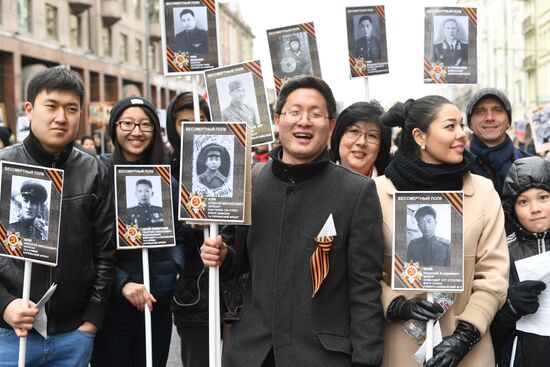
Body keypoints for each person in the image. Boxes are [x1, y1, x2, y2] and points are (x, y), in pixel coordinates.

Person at [201, 76, 384, 366]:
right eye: (294, 112)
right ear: (277, 120)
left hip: (321, 356)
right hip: (252, 353)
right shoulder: (250, 181)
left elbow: (364, 288)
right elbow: (239, 264)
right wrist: (221, 255)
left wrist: (366, 359)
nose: (304, 121)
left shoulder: (356, 192)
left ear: (331, 125)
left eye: (316, 114)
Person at [374, 95, 509, 367]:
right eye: (450, 126)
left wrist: (465, 334)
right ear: (419, 136)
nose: (462, 134)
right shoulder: (376, 193)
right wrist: (397, 304)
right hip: (401, 348)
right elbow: (362, 273)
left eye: (461, 125)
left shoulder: (483, 192)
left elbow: (493, 276)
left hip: (469, 352)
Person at [0, 67, 115, 366]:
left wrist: (92, 319)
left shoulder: (94, 171)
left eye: (71, 109)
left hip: (72, 335)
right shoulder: (2, 167)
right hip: (8, 334)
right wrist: (5, 305)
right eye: (51, 106)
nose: (61, 117)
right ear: (29, 109)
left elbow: (105, 252)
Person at [90, 96, 184, 367]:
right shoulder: (98, 175)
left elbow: (181, 235)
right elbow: (88, 241)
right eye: (128, 123)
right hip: (111, 306)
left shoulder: (167, 180)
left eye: (145, 124)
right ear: (114, 128)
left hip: (157, 303)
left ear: (155, 130)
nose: (136, 132)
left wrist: (172, 265)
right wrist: (121, 283)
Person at [491, 156, 550, 367]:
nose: (535, 208)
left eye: (543, 197)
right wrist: (511, 308)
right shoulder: (502, 252)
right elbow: (489, 334)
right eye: (523, 201)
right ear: (512, 209)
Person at [467, 88, 531, 196]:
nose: (489, 118)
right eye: (480, 112)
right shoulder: (458, 167)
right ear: (470, 124)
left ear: (508, 122)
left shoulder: (530, 165)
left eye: (498, 110)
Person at [330, 100, 391, 177]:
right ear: (339, 136)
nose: (362, 142)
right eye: (354, 131)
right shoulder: (316, 178)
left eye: (372, 135)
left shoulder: (393, 186)